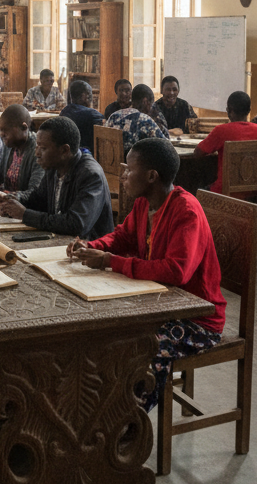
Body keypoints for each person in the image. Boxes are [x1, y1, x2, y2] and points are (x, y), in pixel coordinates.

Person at [68, 138, 226, 411]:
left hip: (196, 318)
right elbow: (123, 237)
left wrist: (109, 261)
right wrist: (91, 246)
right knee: (104, 333)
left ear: (152, 176)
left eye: (129, 169)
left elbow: (176, 271)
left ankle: (128, 423)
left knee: (145, 348)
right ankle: (96, 411)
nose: (124, 175)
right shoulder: (144, 203)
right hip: (159, 304)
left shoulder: (186, 211)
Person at [0, 116, 112, 238]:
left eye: (43, 148)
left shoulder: (90, 175)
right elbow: (38, 198)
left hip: (89, 249)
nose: (37, 153)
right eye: (37, 146)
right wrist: (11, 200)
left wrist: (24, 214)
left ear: (64, 150)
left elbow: (77, 224)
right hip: (61, 241)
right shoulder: (54, 167)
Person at [192, 90, 257, 192]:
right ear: (249, 110)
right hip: (253, 192)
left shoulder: (221, 130)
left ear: (229, 110)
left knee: (191, 187)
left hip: (224, 192)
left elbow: (197, 153)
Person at [106, 84, 170, 153]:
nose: (151, 108)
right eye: (151, 105)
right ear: (145, 102)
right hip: (132, 163)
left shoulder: (114, 116)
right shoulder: (144, 119)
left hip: (110, 162)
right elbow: (167, 146)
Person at [60, 79, 104, 151]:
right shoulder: (93, 115)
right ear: (85, 96)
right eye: (90, 94)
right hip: (87, 156)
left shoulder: (64, 111)